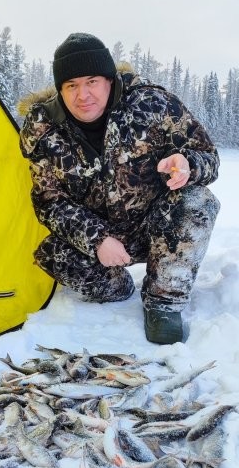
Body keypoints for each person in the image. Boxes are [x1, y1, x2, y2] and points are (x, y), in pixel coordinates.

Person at [19, 32, 220, 344]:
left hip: (156, 226)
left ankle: (163, 301)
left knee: (198, 200)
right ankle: (119, 287)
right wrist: (97, 239)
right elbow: (49, 200)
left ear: (109, 80)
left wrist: (188, 164)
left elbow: (210, 158)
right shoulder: (43, 130)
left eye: (92, 81)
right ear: (60, 90)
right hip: (102, 238)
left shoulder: (152, 104)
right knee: (53, 255)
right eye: (71, 85)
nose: (82, 94)